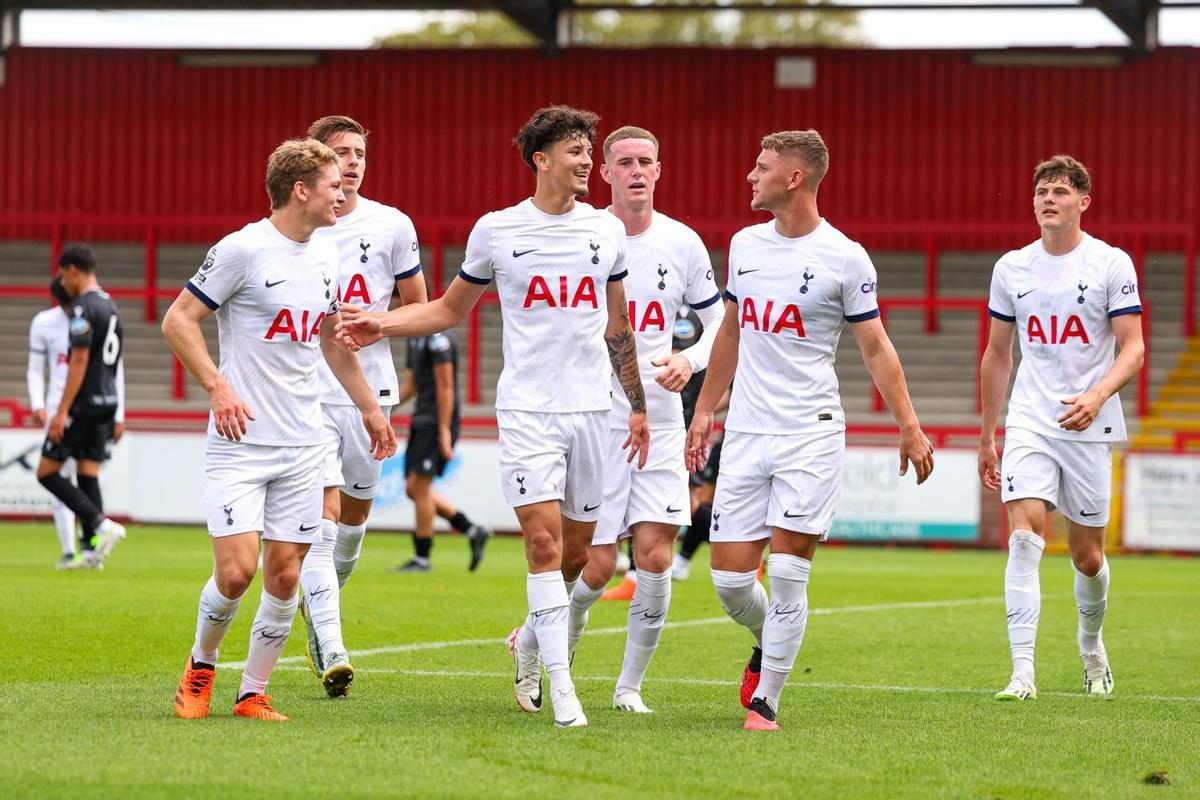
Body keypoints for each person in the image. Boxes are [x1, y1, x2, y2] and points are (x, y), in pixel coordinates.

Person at [337, 105, 650, 729]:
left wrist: (637, 407)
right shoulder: (498, 231)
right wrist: (383, 322)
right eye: (575, 151)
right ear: (541, 160)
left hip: (594, 409)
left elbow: (619, 323)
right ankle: (563, 691)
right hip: (528, 410)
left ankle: (530, 640)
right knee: (540, 543)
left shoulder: (606, 233)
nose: (588, 161)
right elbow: (449, 310)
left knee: (579, 557)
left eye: (589, 150)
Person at [686, 130, 934, 732]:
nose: (751, 174)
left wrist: (909, 423)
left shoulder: (845, 257)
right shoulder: (744, 244)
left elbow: (875, 347)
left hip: (810, 433)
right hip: (746, 430)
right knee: (729, 582)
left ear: (793, 178)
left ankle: (766, 702)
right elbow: (732, 333)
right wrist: (705, 408)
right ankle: (764, 643)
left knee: (792, 569)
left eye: (761, 165)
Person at [162, 138, 397, 722]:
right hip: (242, 443)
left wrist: (369, 407)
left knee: (287, 571)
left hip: (305, 441)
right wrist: (218, 386)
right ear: (301, 190)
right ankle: (200, 665)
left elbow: (330, 341)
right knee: (238, 570)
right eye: (332, 184)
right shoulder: (243, 249)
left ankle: (252, 692)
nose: (343, 190)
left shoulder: (326, 256)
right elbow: (178, 319)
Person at [565, 125, 723, 714]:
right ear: (604, 172)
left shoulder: (682, 244)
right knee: (597, 563)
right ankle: (541, 643)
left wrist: (688, 358)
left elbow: (718, 326)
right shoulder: (582, 236)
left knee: (655, 556)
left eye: (646, 161)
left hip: (660, 417)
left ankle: (629, 688)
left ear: (660, 170)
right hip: (597, 416)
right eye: (624, 161)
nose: (636, 170)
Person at [979, 155, 1143, 702]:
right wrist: (987, 434)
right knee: (1024, 538)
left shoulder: (1110, 264)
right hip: (1030, 419)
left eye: (1061, 191)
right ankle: (1021, 672)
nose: (1049, 198)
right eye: (1042, 191)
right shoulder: (1012, 269)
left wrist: (1097, 397)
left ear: (1083, 202)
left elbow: (1134, 347)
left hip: (1089, 423)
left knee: (1087, 557)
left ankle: (1091, 645)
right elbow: (998, 353)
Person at [297, 115, 428, 696]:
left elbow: (419, 306)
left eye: (359, 153)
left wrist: (380, 326)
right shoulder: (297, 229)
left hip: (370, 392)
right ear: (314, 161)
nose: (351, 162)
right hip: (306, 392)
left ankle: (320, 606)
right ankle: (331, 643)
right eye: (340, 152)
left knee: (352, 522)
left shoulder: (392, 225)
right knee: (321, 521)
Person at [35, 246, 128, 569]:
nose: (63, 281)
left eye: (63, 274)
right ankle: (91, 554)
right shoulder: (111, 306)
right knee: (88, 475)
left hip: (84, 405)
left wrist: (62, 411)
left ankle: (103, 525)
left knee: (46, 472)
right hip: (107, 403)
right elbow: (115, 365)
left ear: (72, 270)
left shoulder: (82, 308)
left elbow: (79, 359)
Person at [391, 329, 493, 573]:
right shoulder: (414, 336)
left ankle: (422, 558)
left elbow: (446, 386)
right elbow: (411, 384)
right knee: (413, 489)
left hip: (437, 422)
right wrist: (381, 410)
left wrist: (445, 430)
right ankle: (472, 529)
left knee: (421, 488)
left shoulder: (438, 340)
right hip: (421, 419)